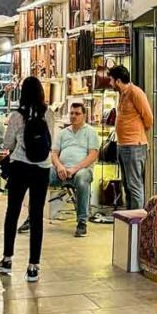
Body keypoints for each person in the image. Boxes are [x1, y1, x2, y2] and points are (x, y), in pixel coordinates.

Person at [0, 76, 54, 282]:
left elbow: (8, 142)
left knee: (12, 211)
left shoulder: (16, 116)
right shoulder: (49, 114)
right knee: (36, 215)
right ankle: (33, 266)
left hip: (20, 165)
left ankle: (7, 258)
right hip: (42, 168)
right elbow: (51, 142)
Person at [50, 101, 99, 237]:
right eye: (71, 113)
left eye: (77, 114)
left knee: (82, 179)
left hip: (82, 170)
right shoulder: (62, 133)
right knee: (41, 176)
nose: (73, 116)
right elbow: (54, 154)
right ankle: (32, 217)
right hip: (61, 170)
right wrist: (59, 166)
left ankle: (82, 222)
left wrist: (75, 169)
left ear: (84, 115)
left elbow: (93, 155)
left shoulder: (90, 132)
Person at [108, 65, 152, 210]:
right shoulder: (122, 94)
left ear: (118, 81)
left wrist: (137, 133)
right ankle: (130, 218)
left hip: (134, 146)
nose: (110, 83)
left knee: (134, 185)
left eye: (111, 80)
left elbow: (148, 118)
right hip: (123, 146)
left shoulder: (135, 93)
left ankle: (137, 222)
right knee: (127, 185)